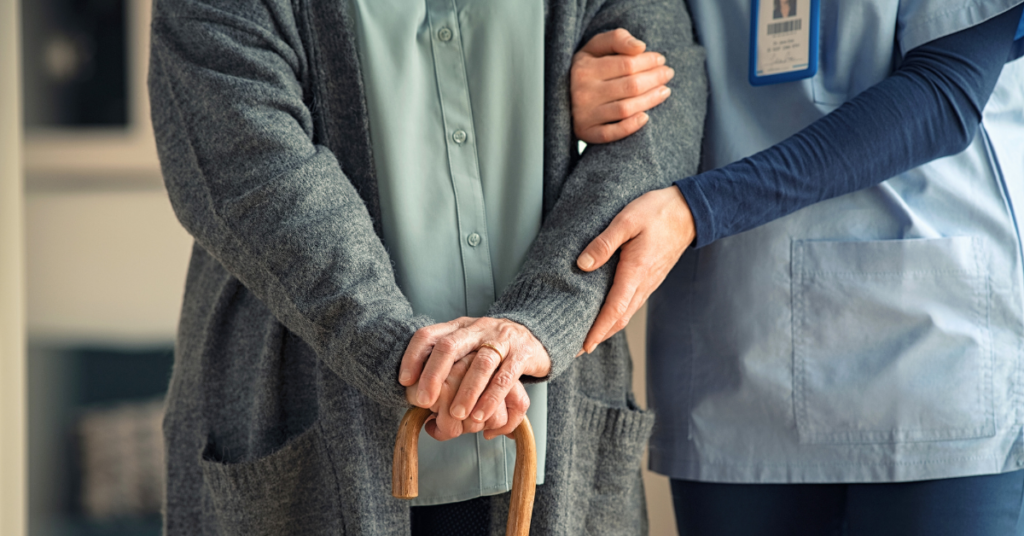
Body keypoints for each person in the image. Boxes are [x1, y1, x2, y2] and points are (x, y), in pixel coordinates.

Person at [148, 0, 704, 534]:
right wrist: (409, 355)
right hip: (308, 431)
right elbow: (251, 166)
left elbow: (659, 121)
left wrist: (541, 321)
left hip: (550, 434)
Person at [567, 1, 1024, 535]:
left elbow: (945, 95)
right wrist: (578, 91)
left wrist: (702, 207)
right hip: (734, 352)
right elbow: (618, 32)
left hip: (928, 359)